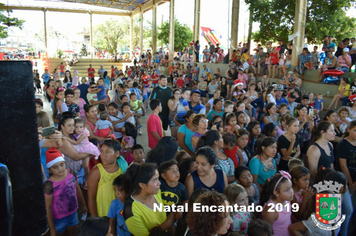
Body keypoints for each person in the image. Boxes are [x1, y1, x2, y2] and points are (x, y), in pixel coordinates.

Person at [122, 163, 178, 235]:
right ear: (142, 185)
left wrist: (174, 214)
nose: (159, 183)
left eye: (158, 179)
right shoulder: (131, 211)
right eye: (155, 180)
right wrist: (167, 224)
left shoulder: (156, 193)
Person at [44, 148, 87, 236]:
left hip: (73, 213)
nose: (60, 169)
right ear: (49, 170)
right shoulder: (49, 185)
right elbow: (48, 207)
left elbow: (77, 189)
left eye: (61, 164)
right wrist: (52, 228)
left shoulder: (71, 173)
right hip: (58, 219)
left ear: (65, 163)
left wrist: (83, 205)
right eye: (55, 167)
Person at [87, 139, 125, 217]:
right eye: (102, 151)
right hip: (104, 214)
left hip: (121, 213)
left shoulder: (122, 168)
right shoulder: (96, 172)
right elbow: (91, 197)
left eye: (108, 152)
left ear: (117, 153)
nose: (103, 155)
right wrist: (95, 219)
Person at [261, 171, 293, 236]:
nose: (292, 192)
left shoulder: (286, 200)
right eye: (287, 190)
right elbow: (267, 232)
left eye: (291, 187)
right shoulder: (271, 211)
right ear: (276, 193)